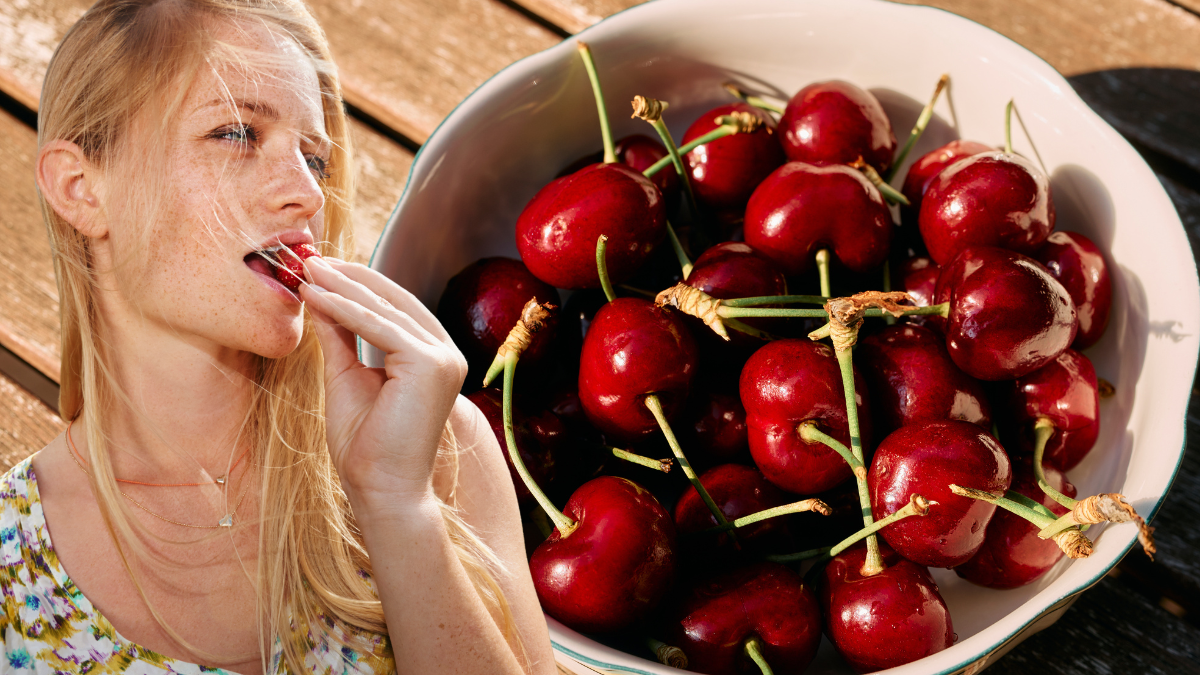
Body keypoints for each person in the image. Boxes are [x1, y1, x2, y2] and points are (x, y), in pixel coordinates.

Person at [4, 0, 557, 673]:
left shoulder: (437, 453)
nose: (307, 194)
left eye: (316, 160)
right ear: (82, 188)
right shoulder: (13, 562)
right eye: (236, 133)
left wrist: (397, 505)